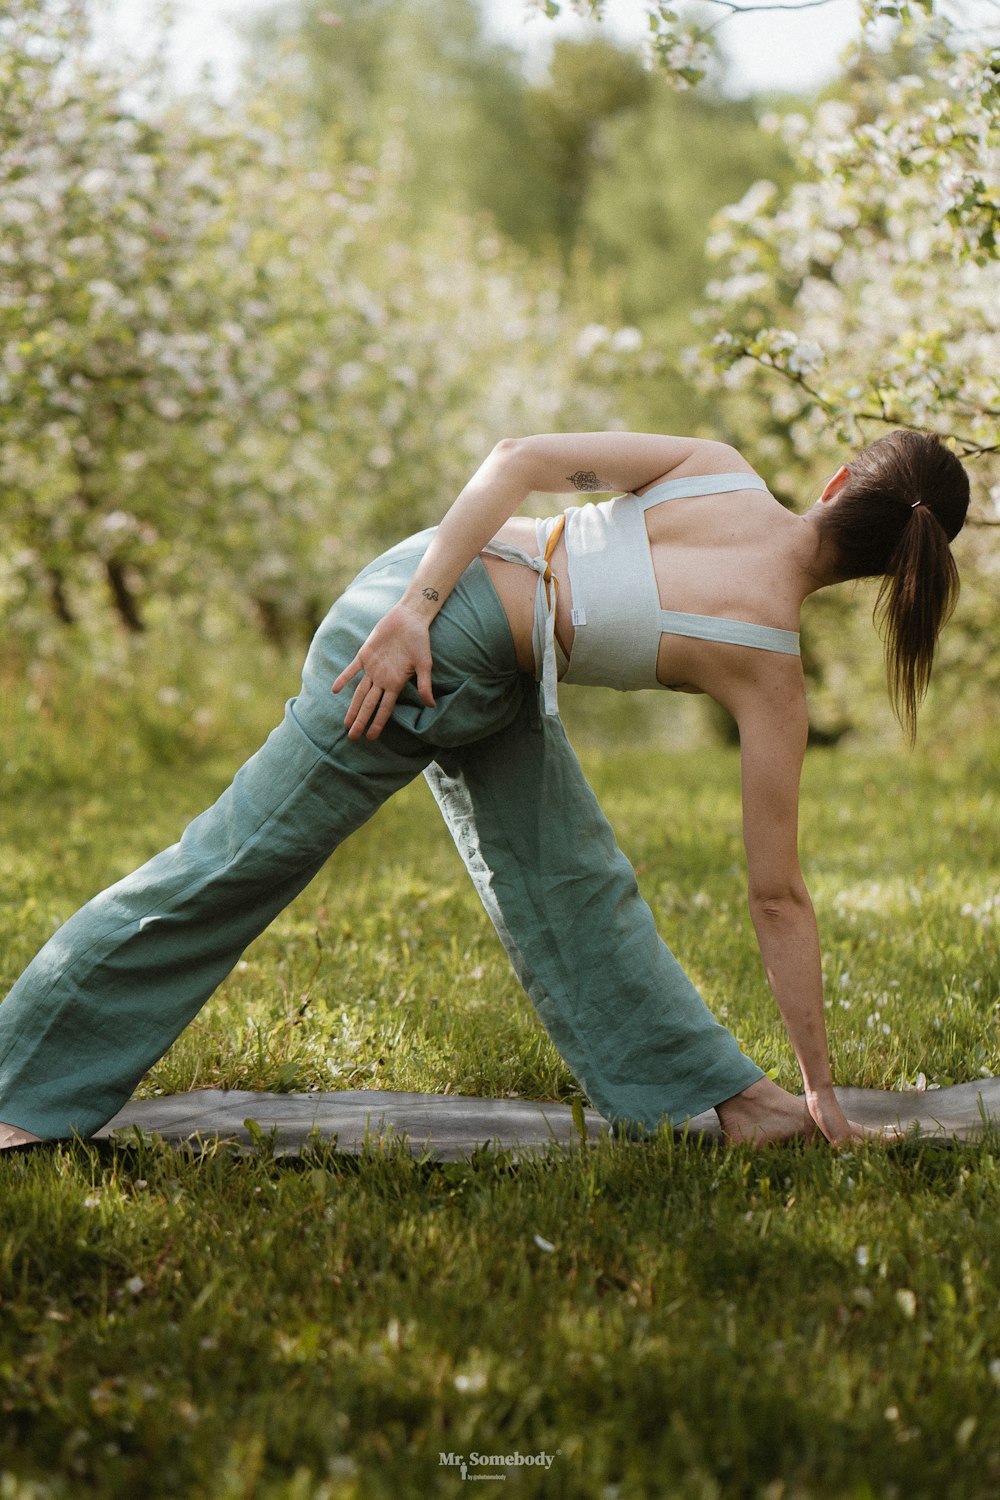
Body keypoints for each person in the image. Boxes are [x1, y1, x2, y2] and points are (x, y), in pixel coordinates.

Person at [0, 428, 969, 1152]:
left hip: (482, 655)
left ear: (838, 482)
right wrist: (827, 1094)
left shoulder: (715, 467)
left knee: (573, 883)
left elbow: (516, 458)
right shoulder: (772, 675)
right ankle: (15, 1090)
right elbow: (776, 896)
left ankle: (739, 1105)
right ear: (893, 575)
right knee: (237, 863)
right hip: (412, 635)